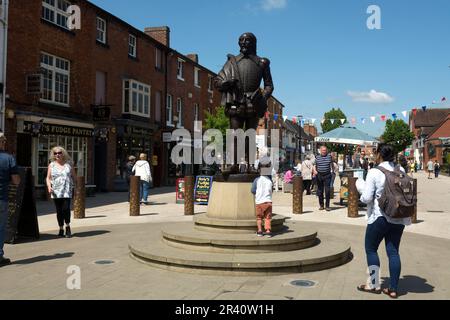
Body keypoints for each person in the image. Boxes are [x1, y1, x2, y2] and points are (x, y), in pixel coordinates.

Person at [356, 143, 411, 299]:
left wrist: (360, 186)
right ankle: (393, 289)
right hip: (398, 217)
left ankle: (373, 284)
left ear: (379, 153)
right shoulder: (400, 170)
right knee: (393, 252)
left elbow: (367, 198)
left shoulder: (374, 171)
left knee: (371, 249)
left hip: (379, 217)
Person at [46, 146, 77, 238]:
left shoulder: (69, 164)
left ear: (63, 154)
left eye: (59, 153)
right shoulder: (51, 165)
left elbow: (74, 176)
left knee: (66, 208)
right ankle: (61, 228)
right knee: (59, 210)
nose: (57, 155)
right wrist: (49, 186)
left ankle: (67, 226)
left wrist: (78, 186)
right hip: (56, 191)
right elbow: (48, 178)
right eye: (55, 153)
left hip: (67, 190)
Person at [0, 133, 20, 267]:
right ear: (2, 142)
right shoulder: (8, 158)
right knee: (0, 228)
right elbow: (16, 180)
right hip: (1, 198)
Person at [251, 156, 273, 238]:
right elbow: (271, 190)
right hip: (268, 201)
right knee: (268, 218)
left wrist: (257, 194)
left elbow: (253, 190)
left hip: (259, 202)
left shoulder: (257, 180)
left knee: (259, 218)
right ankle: (268, 231)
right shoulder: (269, 180)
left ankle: (260, 231)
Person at [313, 146, 333, 211]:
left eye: (325, 150)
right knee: (320, 191)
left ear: (326, 151)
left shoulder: (329, 156)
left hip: (327, 175)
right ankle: (321, 205)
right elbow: (314, 165)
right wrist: (314, 170)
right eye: (323, 150)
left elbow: (332, 164)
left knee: (327, 191)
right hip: (319, 175)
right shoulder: (317, 157)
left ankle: (327, 206)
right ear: (320, 151)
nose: (324, 151)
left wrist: (333, 171)